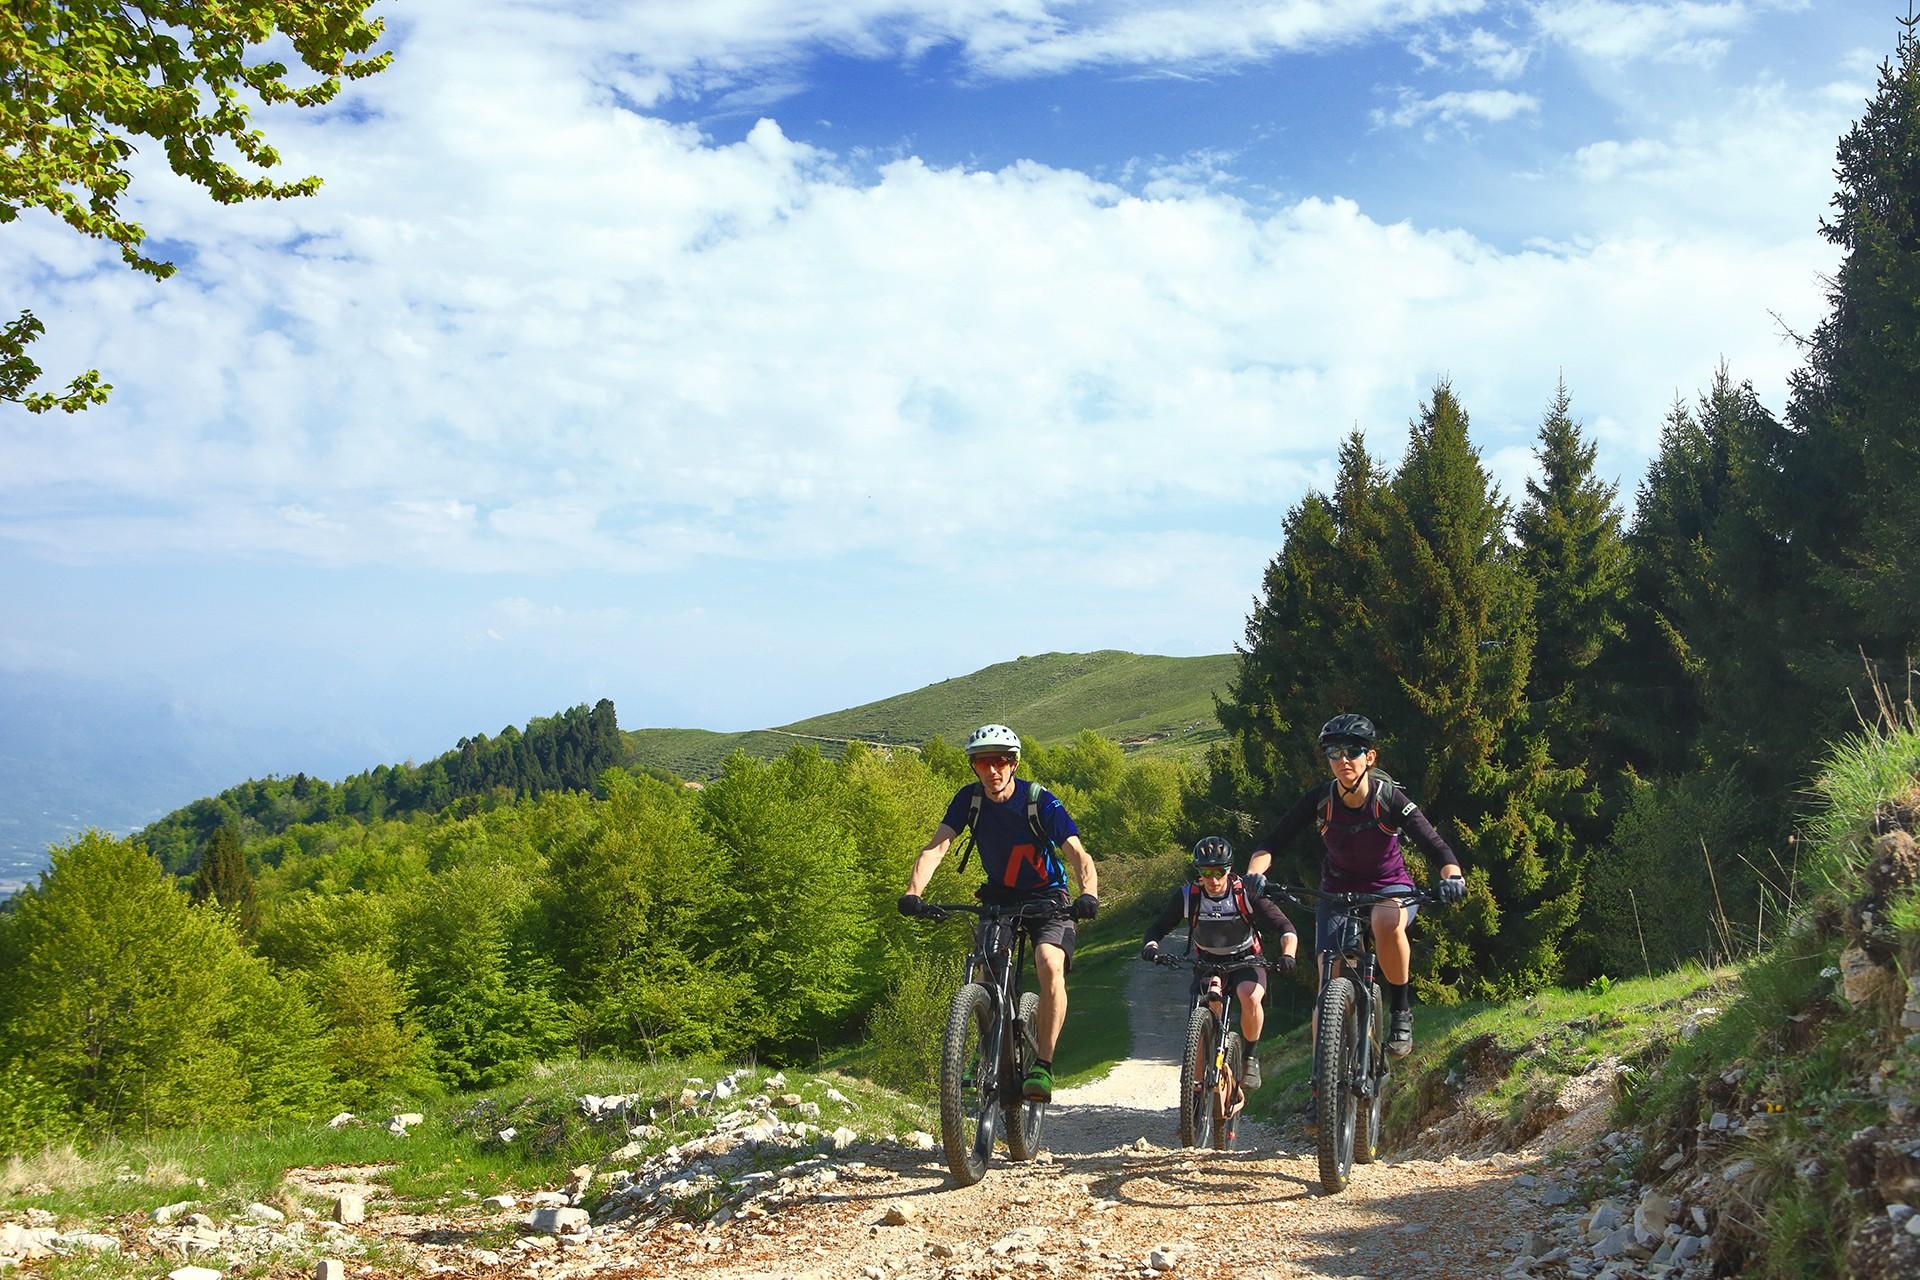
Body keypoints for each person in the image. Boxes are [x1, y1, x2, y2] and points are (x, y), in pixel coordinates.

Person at [898, 723, 1099, 1103]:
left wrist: (1088, 893)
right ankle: (986, 1048)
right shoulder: (969, 800)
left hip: (1048, 899)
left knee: (1048, 962)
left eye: (1001, 761)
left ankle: (1044, 1064)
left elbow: (1076, 851)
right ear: (974, 766)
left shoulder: (1039, 800)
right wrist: (913, 892)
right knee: (984, 970)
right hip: (1000, 898)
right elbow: (937, 848)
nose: (992, 770)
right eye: (983, 762)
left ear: (1014, 763)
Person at [1246, 713, 1465, 1058]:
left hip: (1391, 888)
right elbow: (1271, 843)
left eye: (1352, 751)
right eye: (1334, 752)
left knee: (1384, 921)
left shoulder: (1388, 798)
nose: (1343, 760)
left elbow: (1435, 846)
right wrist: (1255, 873)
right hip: (1336, 891)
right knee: (1327, 986)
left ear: (1370, 757)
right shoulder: (1321, 800)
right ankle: (1322, 1087)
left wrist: (1452, 876)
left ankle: (1400, 1011)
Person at [1140, 836, 1298, 1090]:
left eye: (1219, 872)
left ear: (1229, 869)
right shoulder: (1188, 896)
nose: (1213, 880)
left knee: (1250, 996)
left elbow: (1285, 927)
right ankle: (1194, 1098)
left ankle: (1249, 1057)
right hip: (1207, 961)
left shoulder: (1245, 894)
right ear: (1198, 872)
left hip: (1246, 959)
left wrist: (1288, 954)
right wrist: (1151, 946)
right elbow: (1158, 928)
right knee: (1203, 1018)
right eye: (1206, 872)